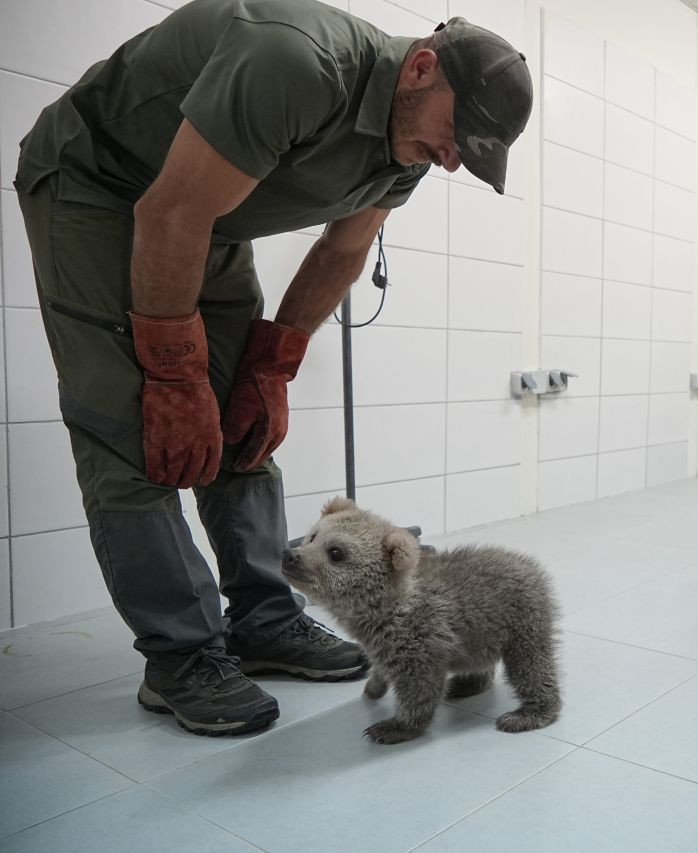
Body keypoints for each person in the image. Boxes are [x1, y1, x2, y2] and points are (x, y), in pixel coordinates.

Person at [12, 0, 532, 736]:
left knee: (243, 422)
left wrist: (273, 366)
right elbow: (168, 214)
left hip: (207, 217)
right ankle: (181, 655)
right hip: (98, 186)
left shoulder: (407, 149)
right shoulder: (297, 61)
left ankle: (263, 619)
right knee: (135, 428)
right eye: (457, 135)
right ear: (421, 69)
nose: (453, 160)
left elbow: (343, 250)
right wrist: (173, 374)